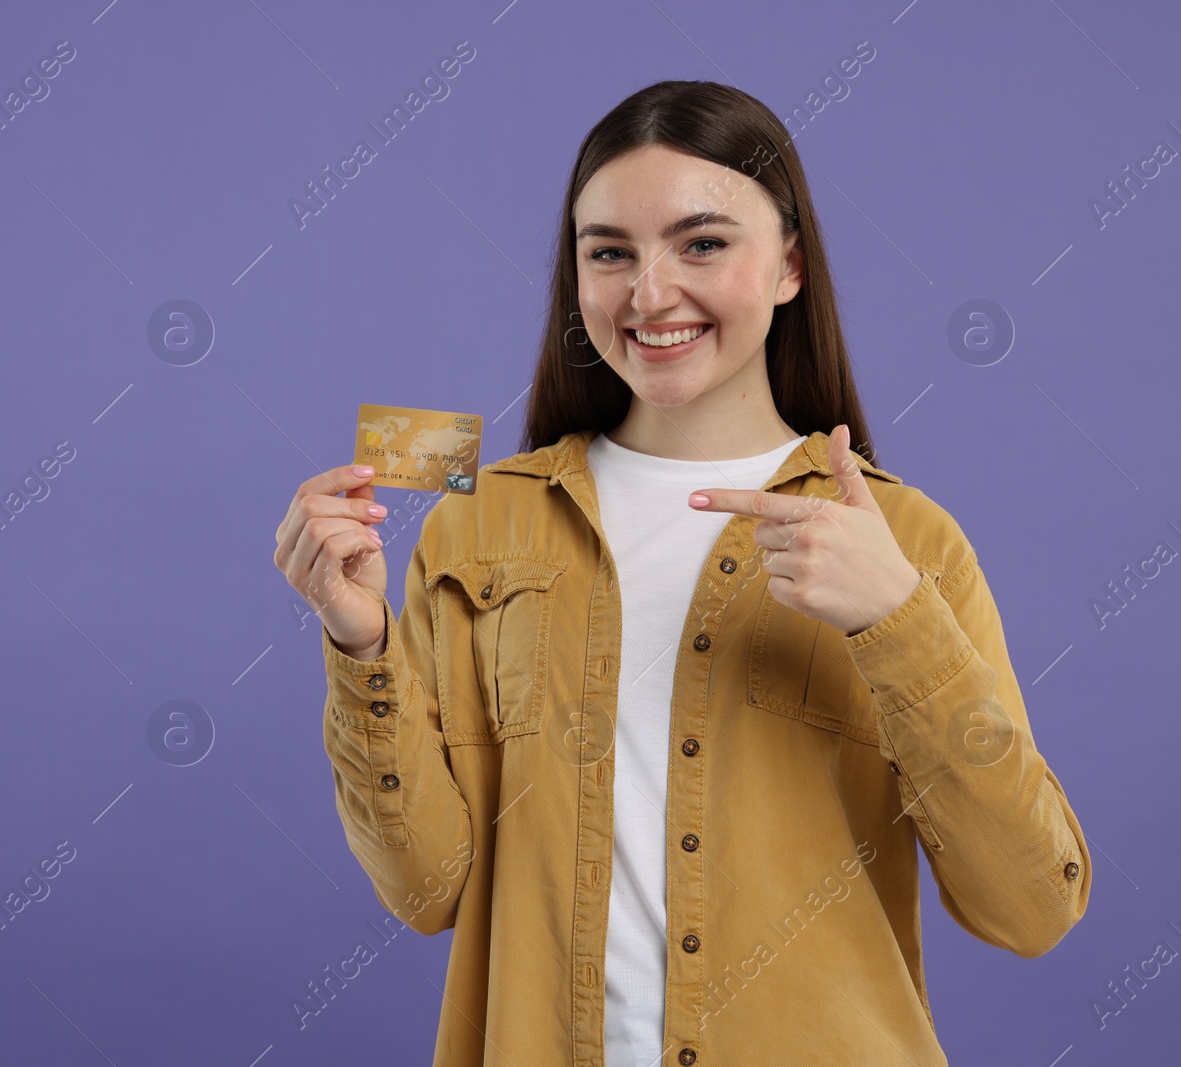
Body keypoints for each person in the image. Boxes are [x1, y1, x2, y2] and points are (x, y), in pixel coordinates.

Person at [273, 80, 1090, 1067]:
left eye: (702, 243)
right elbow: (427, 890)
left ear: (789, 263)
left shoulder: (904, 538)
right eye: (608, 251)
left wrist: (896, 617)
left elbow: (1032, 906)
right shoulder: (474, 526)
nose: (648, 293)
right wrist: (359, 640)